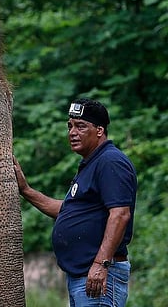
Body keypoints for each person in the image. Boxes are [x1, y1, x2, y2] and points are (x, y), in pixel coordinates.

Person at [14, 98, 137, 307]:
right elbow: (68, 211)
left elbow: (120, 214)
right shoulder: (90, 164)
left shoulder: (110, 161)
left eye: (81, 126)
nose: (72, 132)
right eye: (70, 126)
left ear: (99, 130)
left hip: (99, 275)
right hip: (83, 275)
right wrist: (26, 190)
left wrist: (100, 264)